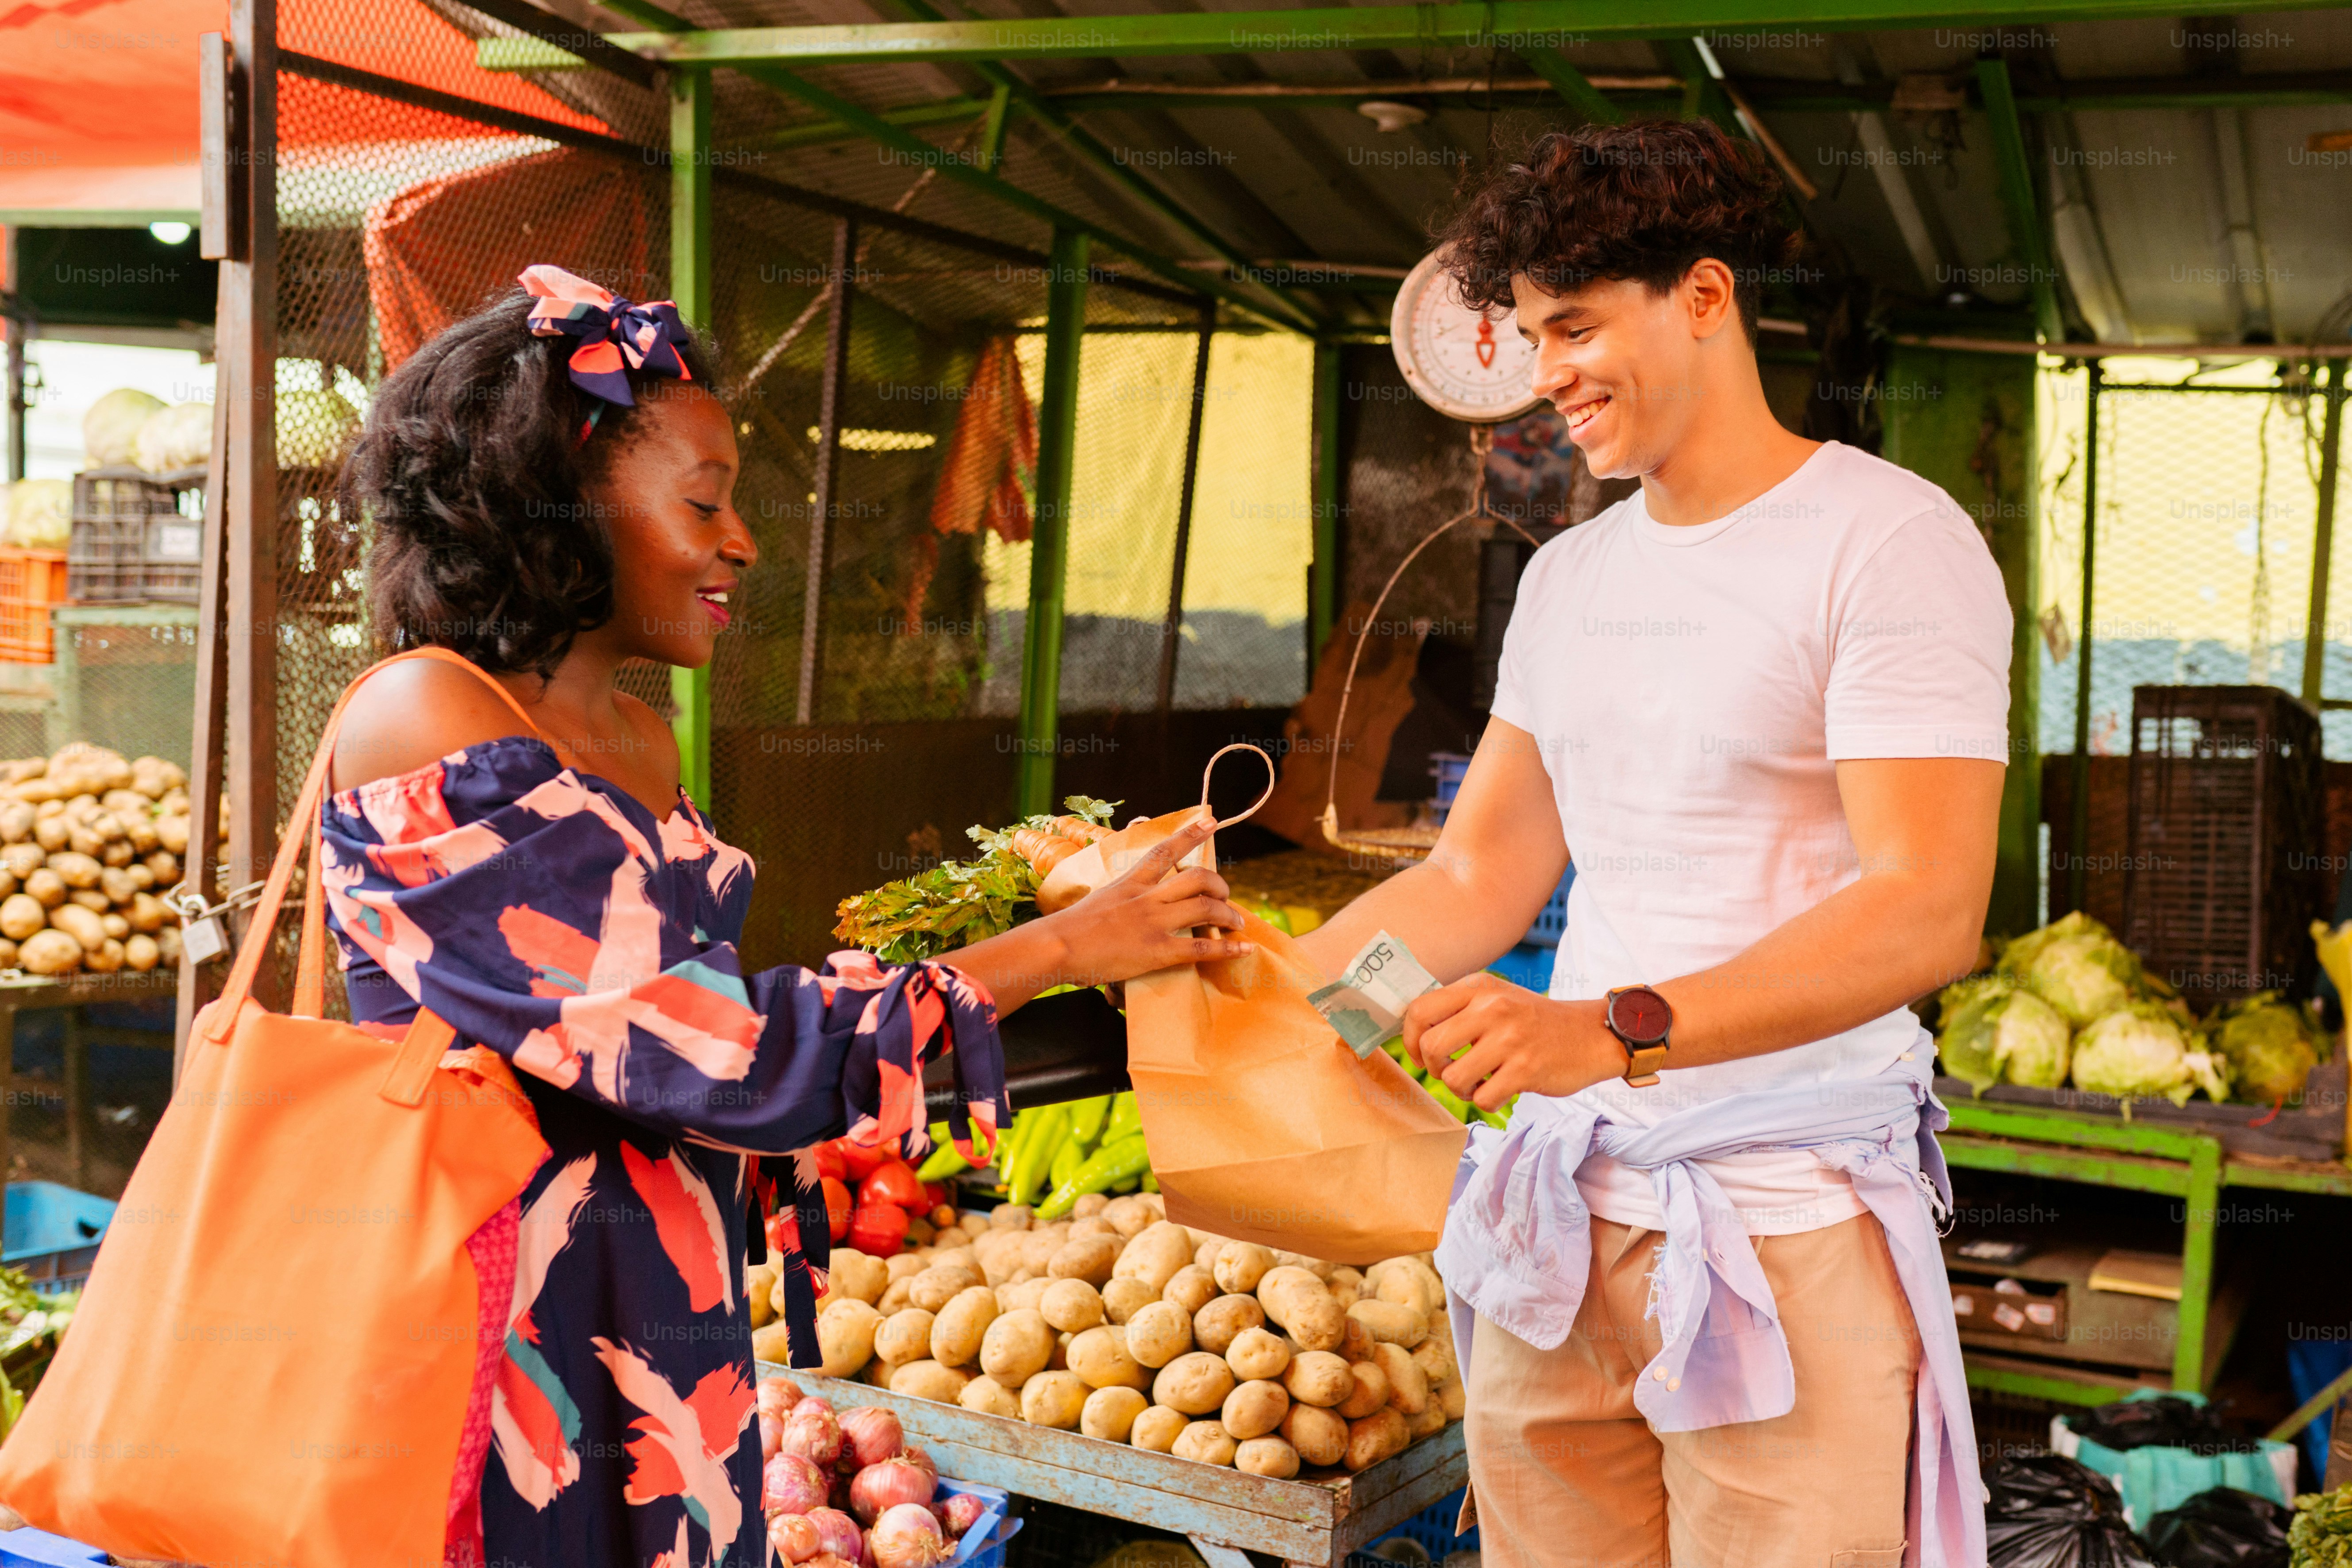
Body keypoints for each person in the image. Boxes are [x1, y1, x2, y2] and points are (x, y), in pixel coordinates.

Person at [324, 265, 1251, 1568]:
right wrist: (1052, 948)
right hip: (494, 1348)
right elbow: (715, 1051)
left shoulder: (639, 740)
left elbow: (696, 1049)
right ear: (558, 501)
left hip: (665, 1334)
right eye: (703, 501)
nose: (742, 540)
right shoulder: (427, 719)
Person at [1296, 122, 2008, 1568]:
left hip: (1785, 1227)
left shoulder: (1884, 542)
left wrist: (1608, 1032)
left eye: (1573, 326)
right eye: (1528, 336)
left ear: (1701, 295)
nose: (1544, 372)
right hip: (1559, 1226)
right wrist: (1269, 1001)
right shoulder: (1570, 576)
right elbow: (1477, 876)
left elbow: (1924, 908)